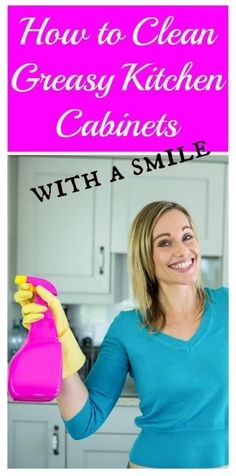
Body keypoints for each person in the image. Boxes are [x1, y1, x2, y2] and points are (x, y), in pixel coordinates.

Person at [14, 201, 228, 469]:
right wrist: (57, 338)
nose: (182, 250)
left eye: (187, 236)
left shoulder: (228, 306)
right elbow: (83, 422)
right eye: (164, 243)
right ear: (145, 257)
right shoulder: (128, 328)